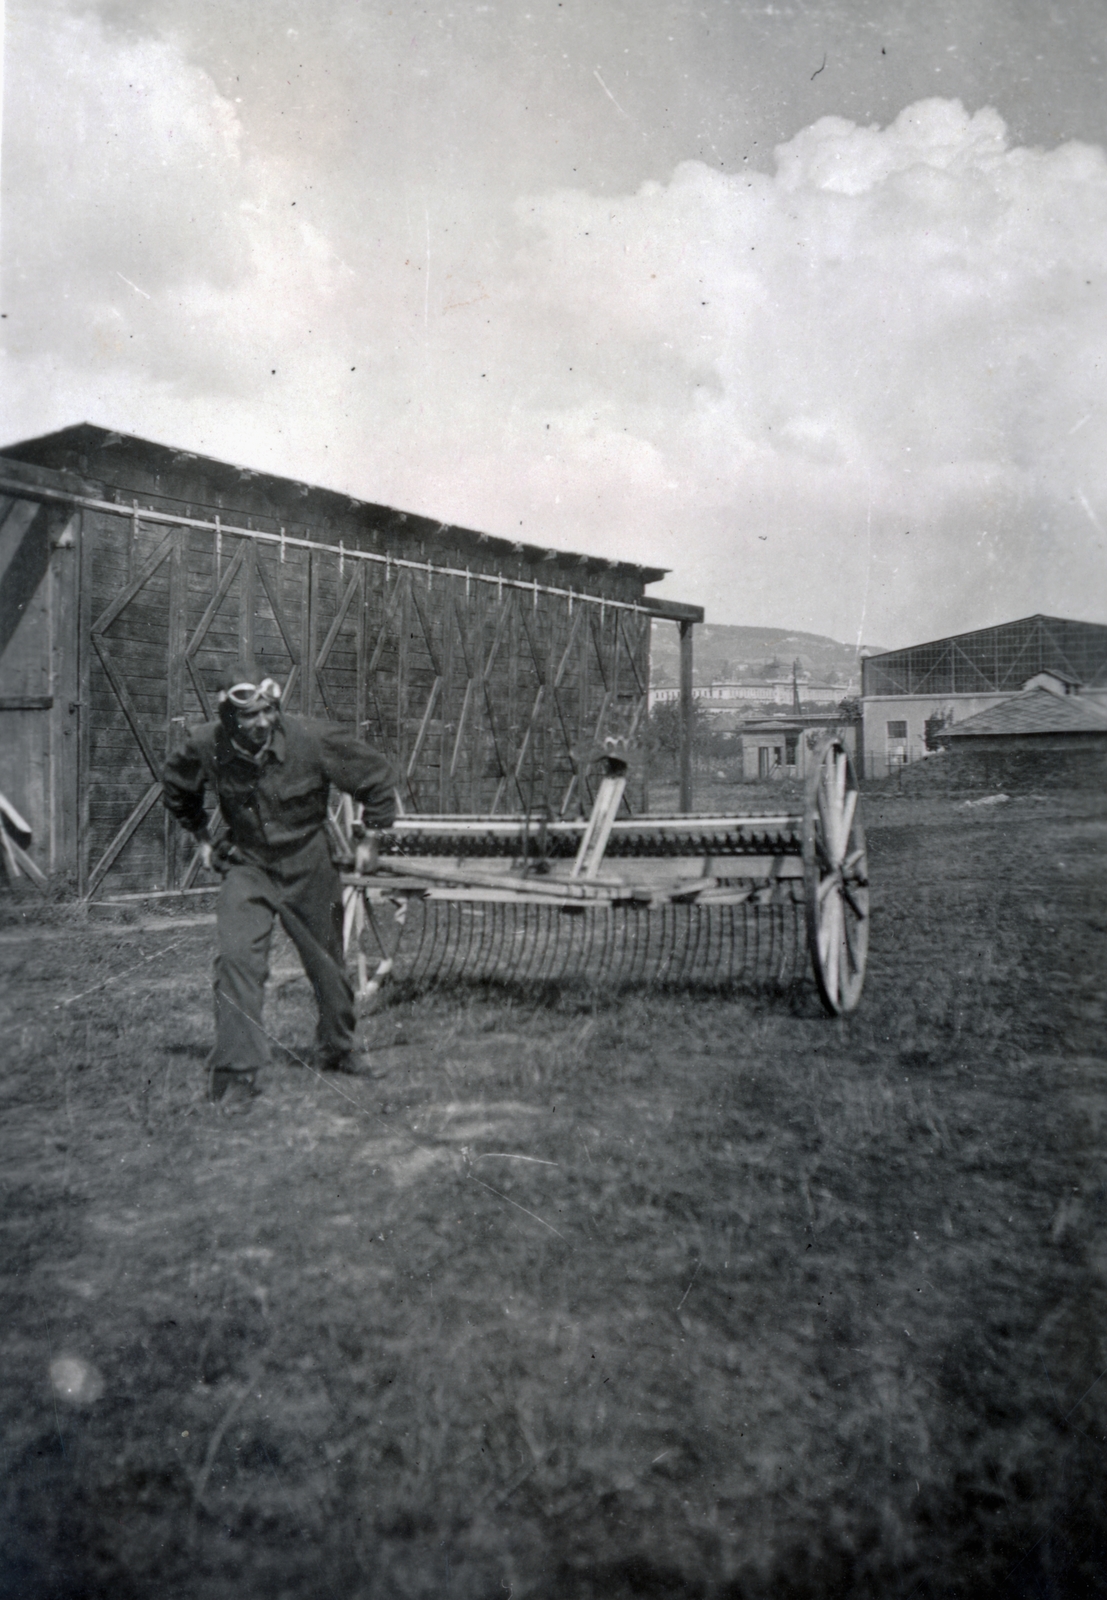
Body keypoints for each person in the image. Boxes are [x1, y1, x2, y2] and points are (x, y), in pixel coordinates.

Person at [162, 662, 397, 1108]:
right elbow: (177, 787)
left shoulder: (314, 739)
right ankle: (235, 1074)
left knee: (328, 962)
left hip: (309, 861)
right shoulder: (205, 744)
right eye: (249, 716)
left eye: (269, 711)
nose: (262, 723)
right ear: (229, 718)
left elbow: (377, 776)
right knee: (236, 960)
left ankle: (338, 1048)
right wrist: (201, 837)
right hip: (247, 863)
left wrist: (372, 837)